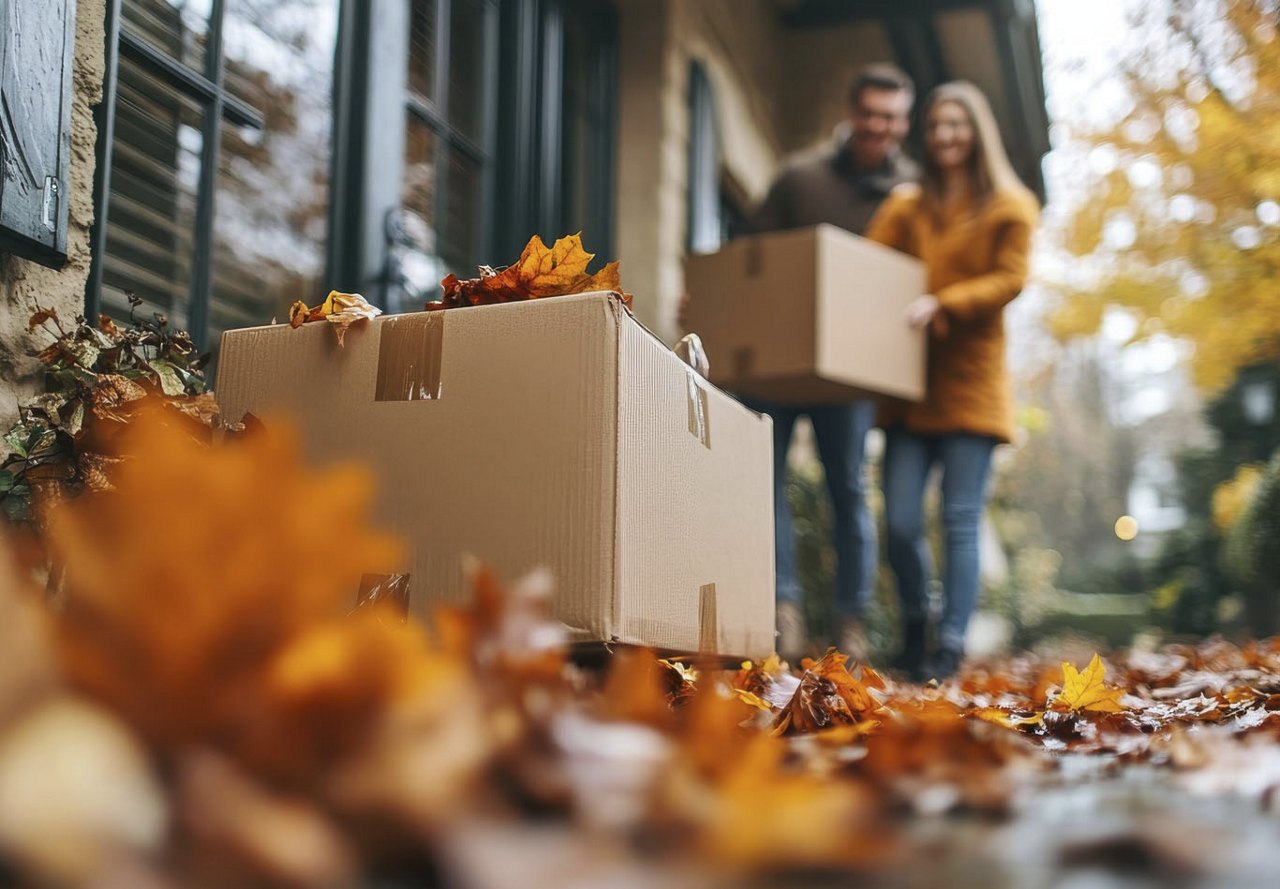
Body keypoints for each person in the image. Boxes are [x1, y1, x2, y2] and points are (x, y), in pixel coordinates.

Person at [740, 64, 917, 661]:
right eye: (870, 113)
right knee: (764, 484)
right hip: (782, 363)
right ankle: (780, 609)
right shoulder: (799, 178)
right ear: (851, 112)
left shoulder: (911, 193)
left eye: (890, 118)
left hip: (851, 372)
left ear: (903, 123)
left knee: (849, 490)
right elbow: (751, 258)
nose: (878, 127)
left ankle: (851, 626)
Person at [864, 81, 1040, 680]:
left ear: (977, 132)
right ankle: (919, 621)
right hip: (908, 385)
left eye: (956, 125)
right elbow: (863, 266)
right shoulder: (907, 207)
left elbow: (1010, 280)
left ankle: (950, 645)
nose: (944, 136)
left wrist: (944, 302)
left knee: (960, 519)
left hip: (970, 384)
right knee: (902, 521)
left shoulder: (1009, 207)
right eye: (936, 125)